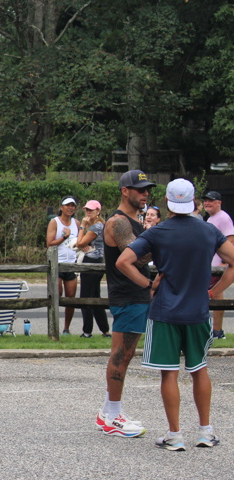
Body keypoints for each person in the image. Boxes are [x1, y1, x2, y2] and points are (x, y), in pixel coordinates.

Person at [117, 179, 234, 451]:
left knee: (169, 373)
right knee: (199, 369)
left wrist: (148, 284)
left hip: (165, 310)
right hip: (197, 309)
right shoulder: (208, 230)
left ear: (168, 202)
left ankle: (175, 435)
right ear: (194, 201)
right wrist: (215, 291)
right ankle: (205, 431)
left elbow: (124, 261)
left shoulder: (158, 232)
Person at [98, 170, 155, 437]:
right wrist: (164, 241)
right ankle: (113, 417)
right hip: (129, 296)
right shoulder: (119, 222)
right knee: (122, 355)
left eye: (147, 189)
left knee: (123, 354)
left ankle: (108, 412)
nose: (145, 194)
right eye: (140, 189)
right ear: (125, 191)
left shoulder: (133, 220)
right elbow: (138, 257)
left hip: (133, 296)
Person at [75, 200, 110, 338]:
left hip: (91, 261)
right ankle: (105, 330)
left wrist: (82, 226)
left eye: (91, 210)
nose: (88, 212)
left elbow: (79, 243)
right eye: (87, 210)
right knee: (95, 297)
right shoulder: (101, 225)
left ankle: (87, 331)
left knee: (86, 297)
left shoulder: (96, 227)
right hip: (98, 260)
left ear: (98, 211)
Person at [202, 191, 234, 339]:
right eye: (206, 201)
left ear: (219, 203)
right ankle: (214, 330)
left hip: (218, 265)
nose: (207, 203)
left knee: (216, 295)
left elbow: (230, 239)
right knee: (213, 296)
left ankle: (217, 330)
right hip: (209, 264)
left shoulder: (223, 217)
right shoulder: (211, 218)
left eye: (211, 201)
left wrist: (224, 261)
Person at [46, 196, 79, 334]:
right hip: (57, 263)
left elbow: (80, 240)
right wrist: (64, 237)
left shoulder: (76, 223)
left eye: (73, 205)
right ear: (61, 207)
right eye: (67, 205)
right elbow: (49, 243)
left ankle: (66, 328)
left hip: (71, 264)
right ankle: (54, 327)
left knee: (71, 298)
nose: (70, 208)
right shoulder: (55, 222)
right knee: (57, 295)